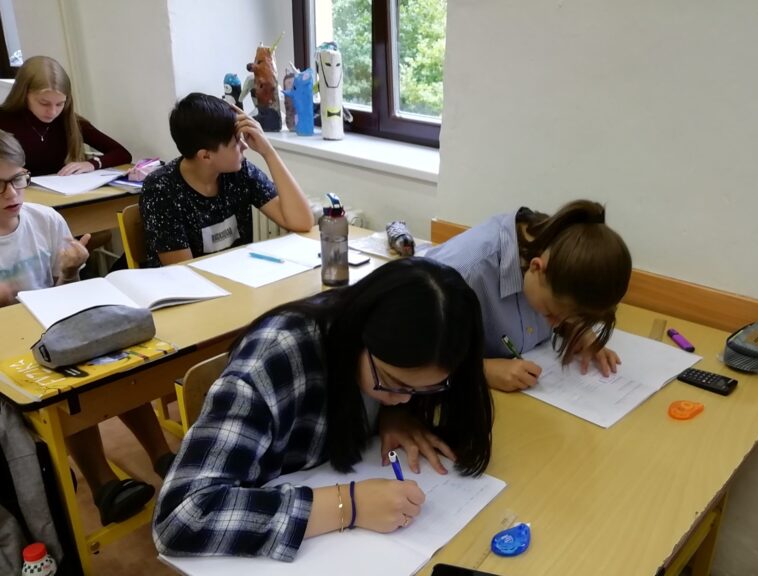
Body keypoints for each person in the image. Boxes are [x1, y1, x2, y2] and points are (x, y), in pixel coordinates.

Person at [153, 258, 493, 560]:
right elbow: (180, 517)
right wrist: (349, 505)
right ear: (360, 334)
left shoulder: (396, 364)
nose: (406, 399)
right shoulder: (276, 358)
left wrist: (392, 413)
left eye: (422, 389)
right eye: (394, 383)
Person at [0, 130, 171, 525]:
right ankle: (103, 484)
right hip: (15, 355)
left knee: (114, 361)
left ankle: (164, 456)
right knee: (64, 388)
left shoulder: (44, 220)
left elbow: (67, 298)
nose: (12, 193)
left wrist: (69, 270)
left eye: (18, 179)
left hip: (55, 332)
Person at [426, 200, 632, 392]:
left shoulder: (559, 251)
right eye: (550, 313)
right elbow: (412, 349)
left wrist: (579, 329)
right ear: (536, 267)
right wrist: (481, 370)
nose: (554, 323)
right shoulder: (464, 271)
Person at [140, 92, 314, 267]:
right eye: (236, 142)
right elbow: (184, 273)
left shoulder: (239, 172)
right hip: (195, 282)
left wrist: (268, 151)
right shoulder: (161, 190)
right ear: (205, 156)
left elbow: (303, 222)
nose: (244, 146)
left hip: (238, 277)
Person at [0, 55, 131, 176]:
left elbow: (122, 153)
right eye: (44, 103)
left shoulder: (69, 120)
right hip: (18, 192)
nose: (52, 112)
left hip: (64, 191)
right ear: (24, 94)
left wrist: (92, 164)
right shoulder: (4, 120)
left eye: (60, 104)